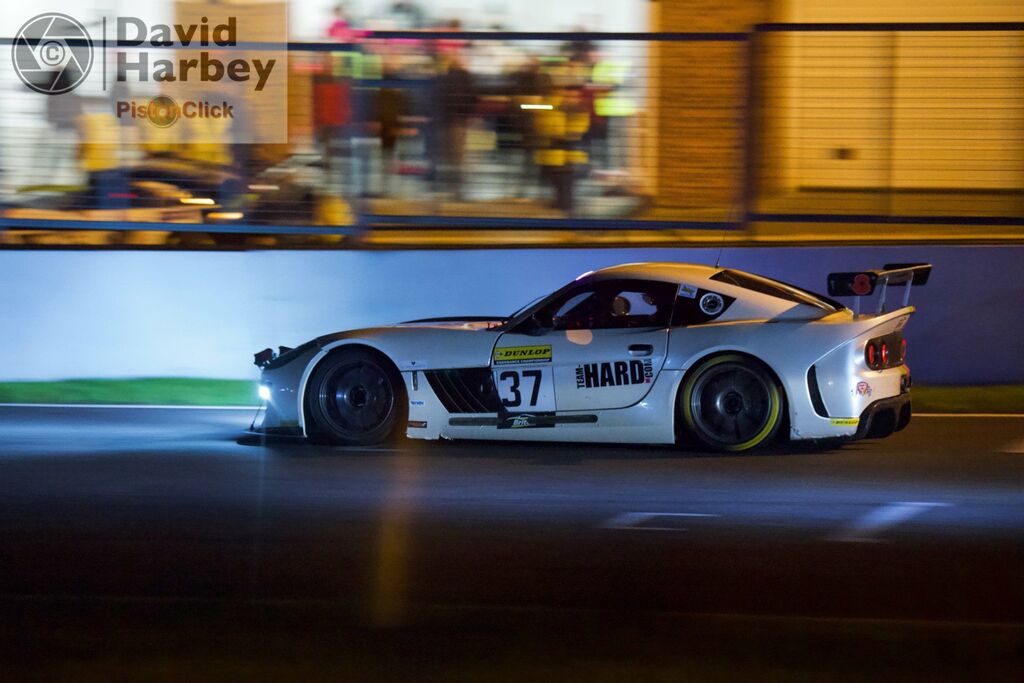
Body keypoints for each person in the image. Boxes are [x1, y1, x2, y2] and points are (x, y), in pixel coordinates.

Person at [437, 56, 476, 200]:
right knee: (457, 157)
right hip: (458, 121)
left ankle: (449, 187)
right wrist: (467, 115)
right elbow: (472, 98)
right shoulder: (466, 79)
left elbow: (439, 98)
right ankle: (456, 189)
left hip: (447, 121)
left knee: (447, 157)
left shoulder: (445, 78)